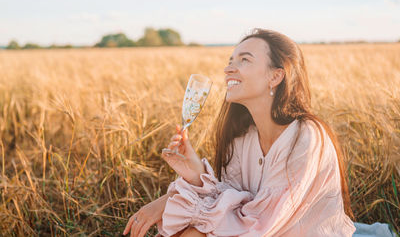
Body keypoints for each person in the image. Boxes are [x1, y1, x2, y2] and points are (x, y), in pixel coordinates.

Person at [123, 28, 357, 237]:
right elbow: (231, 202)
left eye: (244, 60)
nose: (228, 69)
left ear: (275, 76)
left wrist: (170, 204)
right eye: (230, 60)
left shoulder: (305, 137)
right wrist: (195, 175)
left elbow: (263, 223)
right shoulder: (242, 138)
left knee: (196, 232)